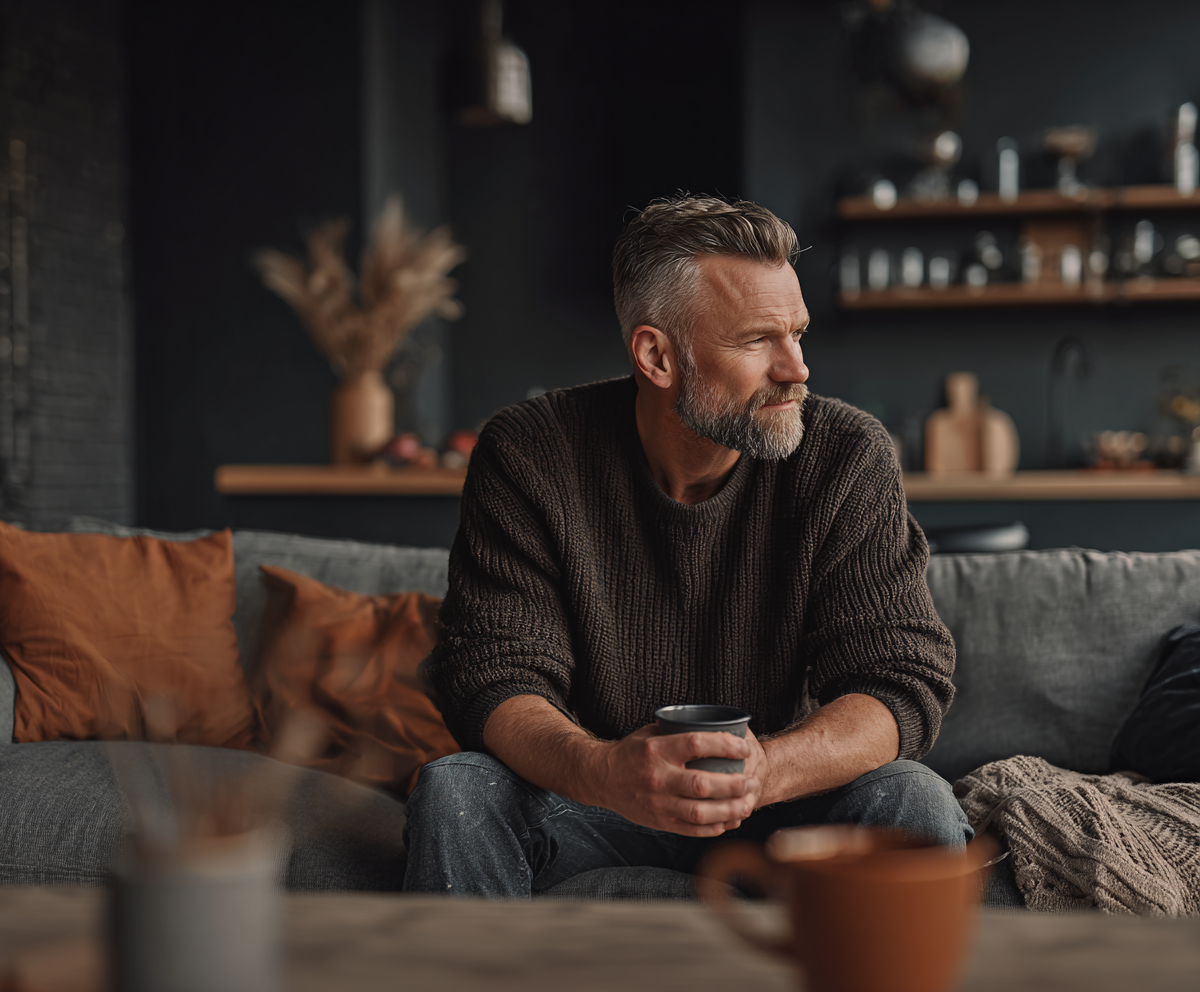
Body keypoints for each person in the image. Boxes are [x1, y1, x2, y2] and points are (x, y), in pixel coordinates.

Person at [404, 194, 969, 897]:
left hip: (782, 813)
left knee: (912, 798)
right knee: (455, 788)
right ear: (657, 355)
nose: (796, 369)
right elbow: (492, 675)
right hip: (594, 803)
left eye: (799, 334)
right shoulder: (530, 453)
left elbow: (897, 680)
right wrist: (604, 770)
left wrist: (765, 771)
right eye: (759, 340)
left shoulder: (846, 455)